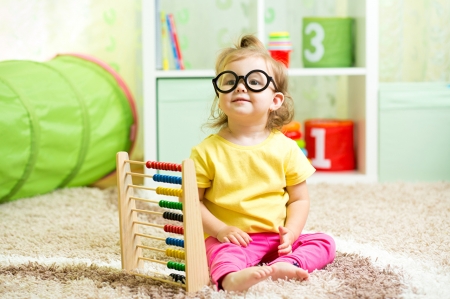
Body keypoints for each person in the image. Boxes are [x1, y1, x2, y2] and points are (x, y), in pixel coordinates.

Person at [189, 34, 336, 292]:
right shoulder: (206, 152)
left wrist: (291, 232)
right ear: (219, 93)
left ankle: (287, 262)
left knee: (324, 243)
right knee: (215, 251)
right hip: (232, 239)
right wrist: (221, 229)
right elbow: (192, 201)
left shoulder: (286, 149)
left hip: (275, 239)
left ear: (275, 101)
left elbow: (299, 199)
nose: (240, 87)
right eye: (230, 81)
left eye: (254, 81)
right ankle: (231, 278)